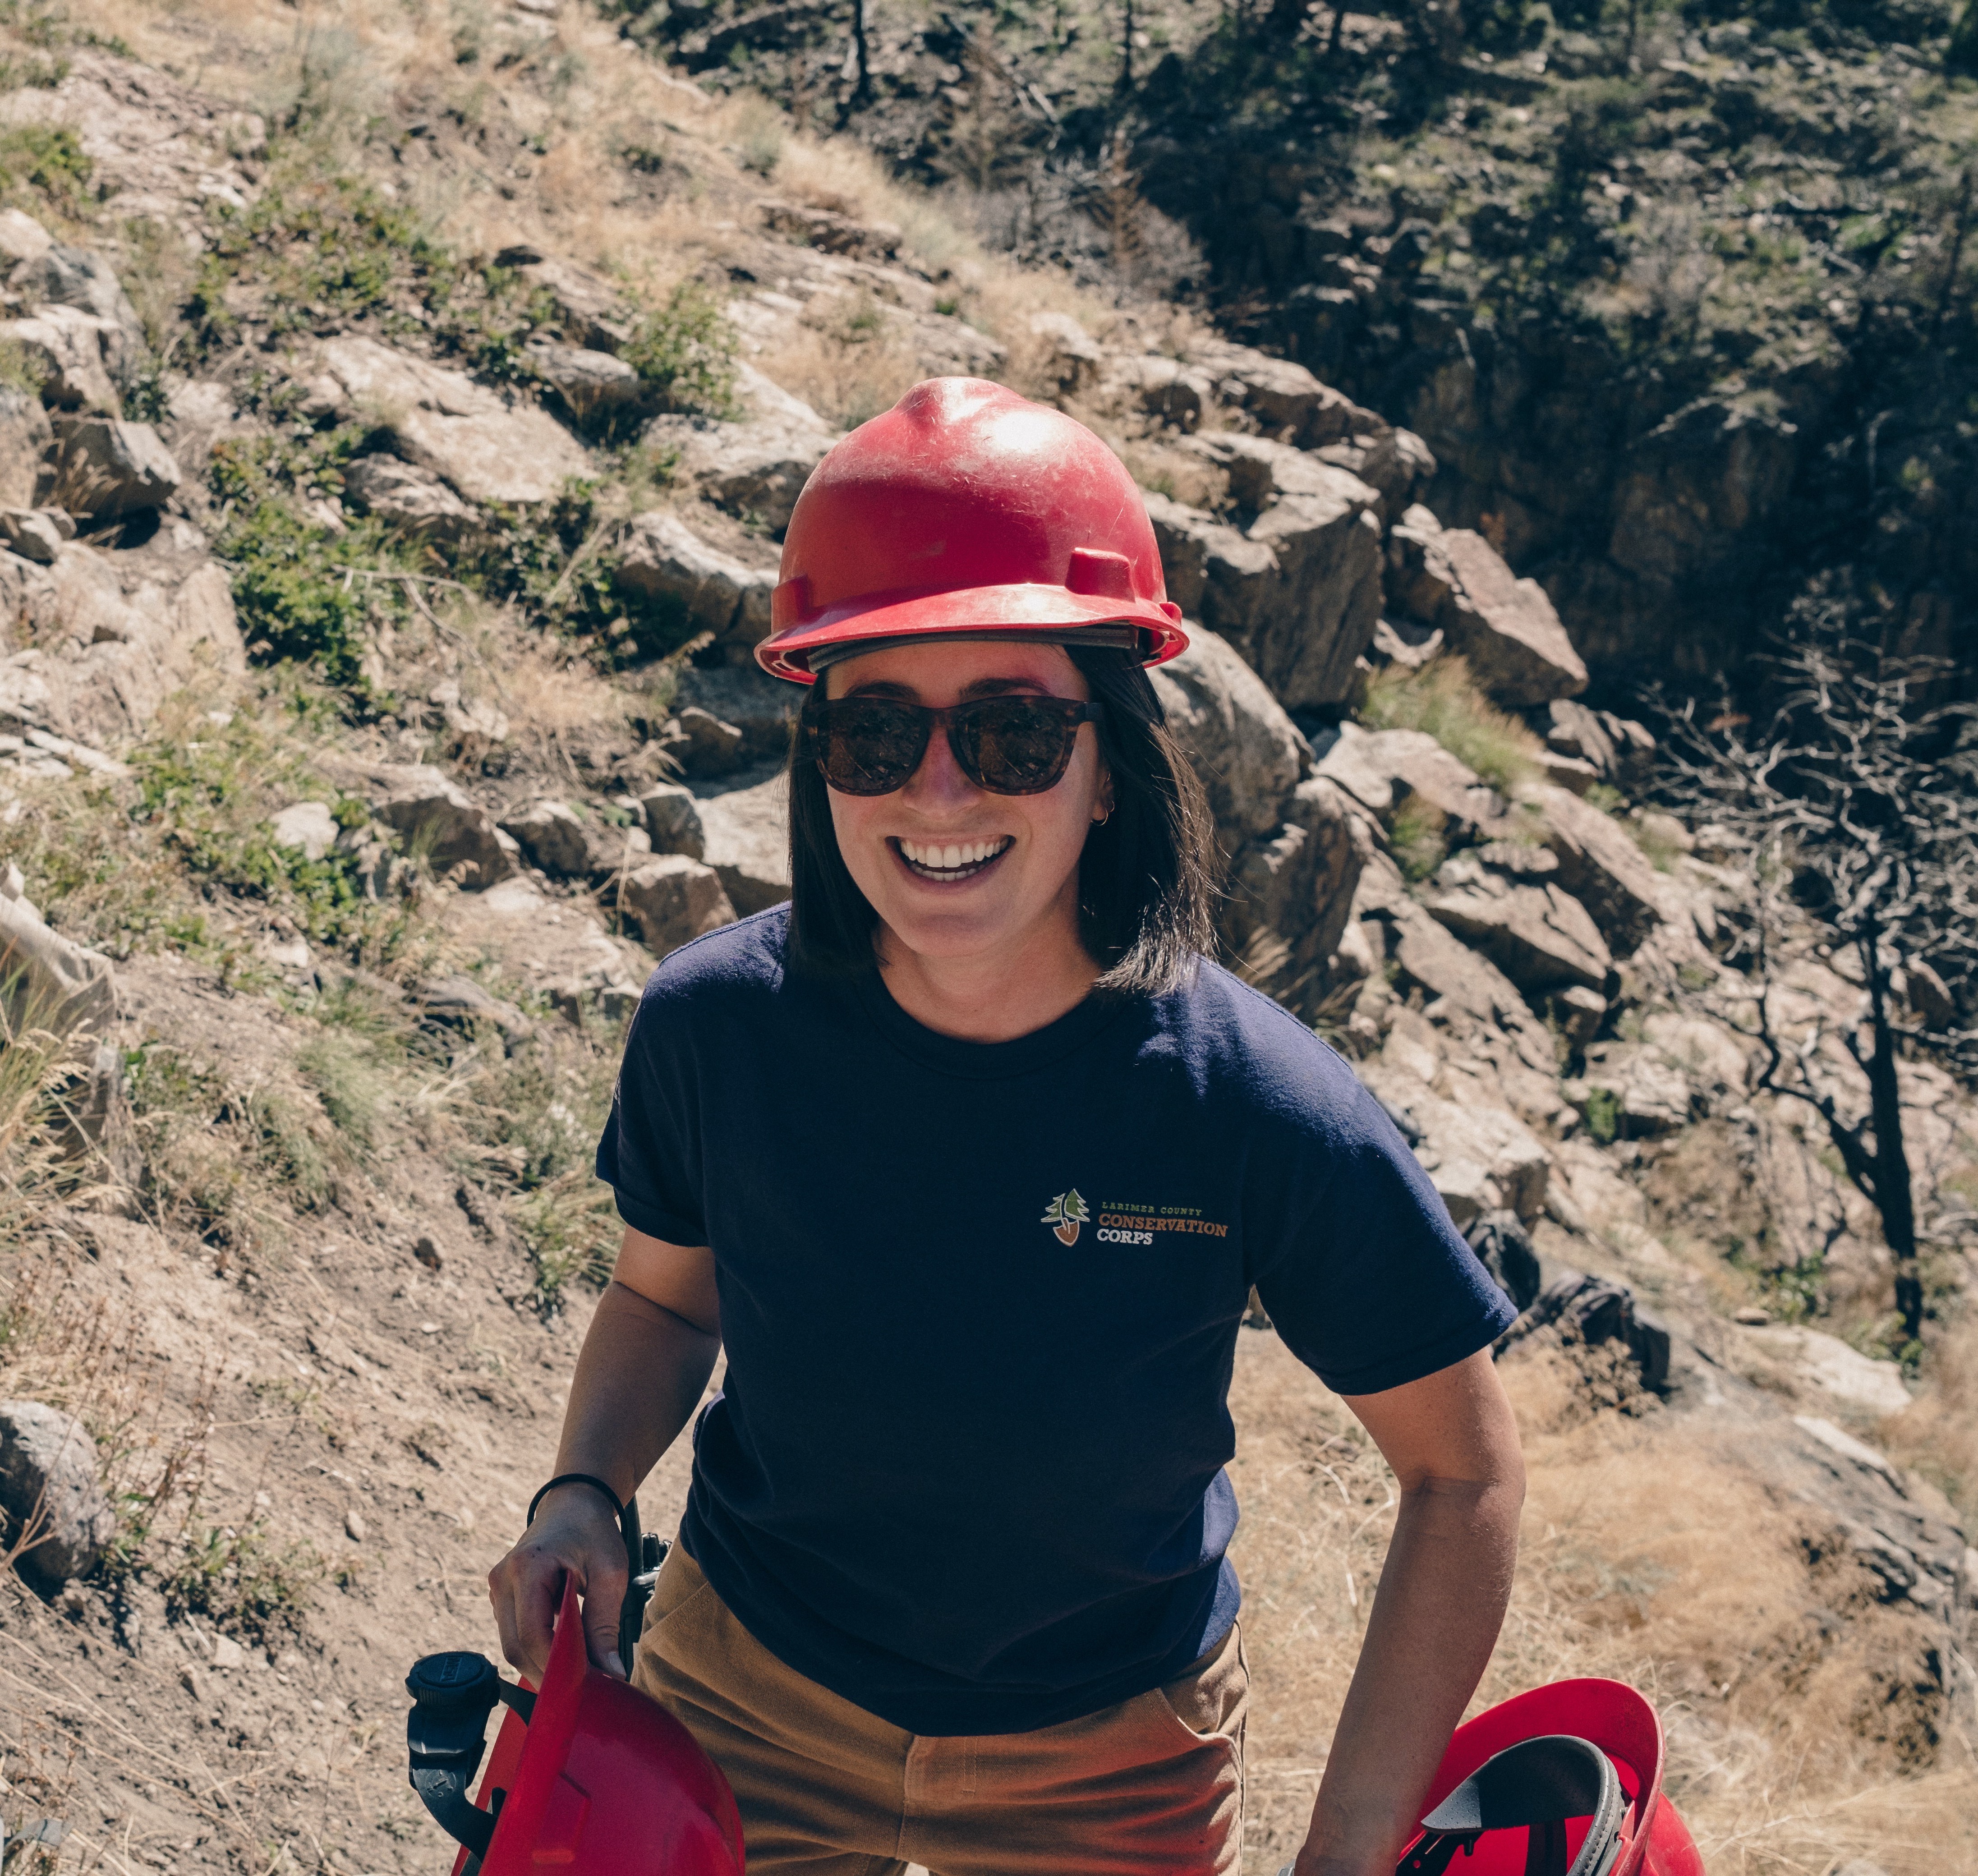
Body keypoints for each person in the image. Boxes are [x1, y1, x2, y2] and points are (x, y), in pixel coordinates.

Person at [488, 377, 1527, 1876]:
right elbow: (665, 1294)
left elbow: (1462, 1472)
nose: (938, 788)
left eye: (1014, 734)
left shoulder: (1252, 1100)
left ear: (1107, 769)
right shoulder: (716, 1025)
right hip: (743, 1703)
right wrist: (585, 1489)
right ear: (817, 765)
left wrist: (1352, 1844)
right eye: (876, 734)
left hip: (1111, 1766)